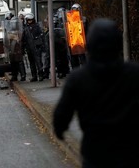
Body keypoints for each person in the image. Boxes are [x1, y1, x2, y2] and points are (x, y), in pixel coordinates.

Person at [52, 18, 139, 168]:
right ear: (117, 44)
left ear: (90, 44)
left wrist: (59, 129)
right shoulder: (134, 74)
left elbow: (62, 113)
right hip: (130, 149)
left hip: (95, 151)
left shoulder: (78, 78)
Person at [21, 13, 45, 82]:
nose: (30, 21)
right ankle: (34, 76)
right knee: (32, 63)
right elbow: (23, 39)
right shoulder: (25, 29)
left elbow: (41, 36)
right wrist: (23, 48)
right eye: (28, 20)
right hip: (29, 48)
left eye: (31, 20)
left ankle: (41, 75)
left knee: (38, 62)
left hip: (36, 47)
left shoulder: (37, 27)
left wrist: (40, 45)